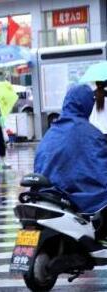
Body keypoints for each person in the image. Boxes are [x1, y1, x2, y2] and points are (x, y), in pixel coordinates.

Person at [35, 85, 107, 242]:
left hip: (47, 191)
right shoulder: (90, 133)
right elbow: (100, 166)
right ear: (86, 104)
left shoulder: (52, 131)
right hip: (74, 194)